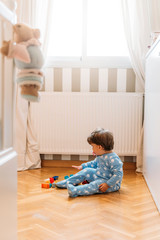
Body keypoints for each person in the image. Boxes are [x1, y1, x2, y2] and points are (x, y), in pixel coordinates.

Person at [54, 128, 123, 197]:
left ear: (100, 147)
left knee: (96, 185)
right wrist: (82, 166)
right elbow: (94, 163)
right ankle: (66, 183)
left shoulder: (113, 159)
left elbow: (118, 175)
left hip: (109, 183)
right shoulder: (101, 155)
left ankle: (75, 190)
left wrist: (108, 184)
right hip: (98, 176)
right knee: (87, 170)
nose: (92, 149)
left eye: (92, 146)